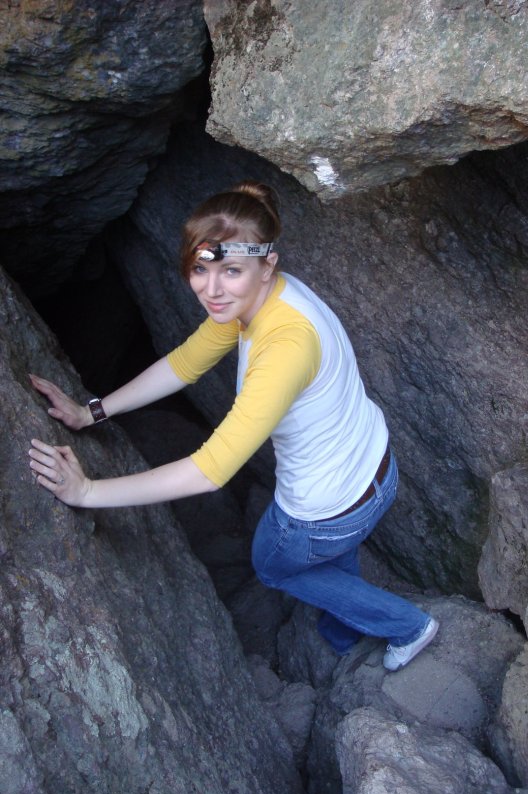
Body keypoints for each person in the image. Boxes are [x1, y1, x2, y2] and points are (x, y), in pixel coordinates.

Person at [28, 180, 438, 671]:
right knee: (329, 560)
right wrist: (91, 411)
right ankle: (345, 629)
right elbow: (185, 363)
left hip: (328, 507)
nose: (212, 288)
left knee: (271, 564)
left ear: (268, 265)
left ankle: (405, 625)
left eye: (230, 271)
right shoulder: (255, 300)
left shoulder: (285, 346)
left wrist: (88, 492)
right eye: (200, 269)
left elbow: (210, 471)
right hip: (375, 466)